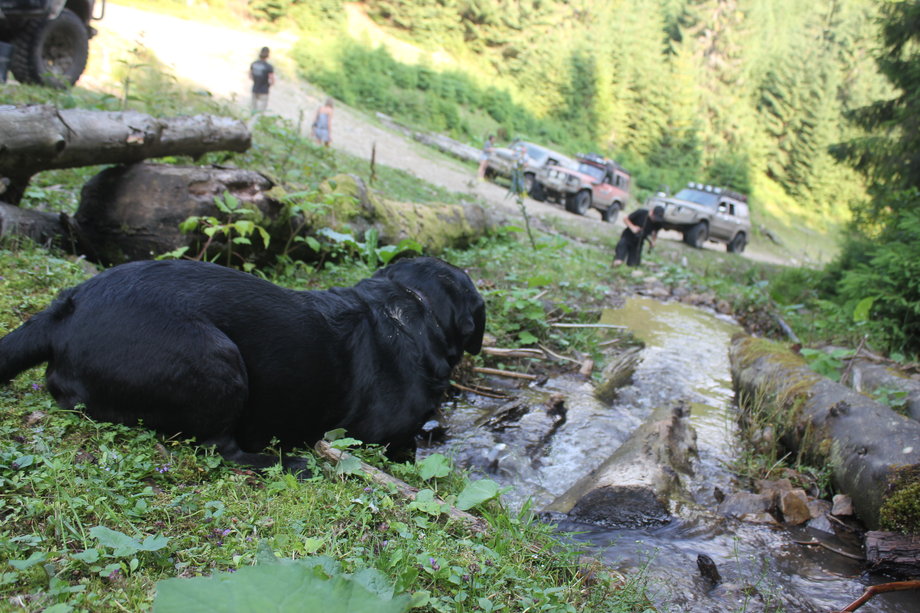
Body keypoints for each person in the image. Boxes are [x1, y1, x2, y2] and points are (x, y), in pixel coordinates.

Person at [249, 47, 275, 113]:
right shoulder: (269, 67)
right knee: (261, 112)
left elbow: (250, 76)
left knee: (253, 109)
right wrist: (269, 85)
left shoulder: (254, 64)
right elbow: (272, 80)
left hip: (255, 89)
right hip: (264, 91)